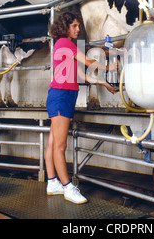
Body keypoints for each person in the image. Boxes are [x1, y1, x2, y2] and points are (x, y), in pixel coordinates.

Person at [45, 11, 118, 204]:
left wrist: (103, 84)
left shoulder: (64, 47)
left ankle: (52, 182)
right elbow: (88, 61)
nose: (78, 29)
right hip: (61, 97)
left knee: (53, 144)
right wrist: (109, 68)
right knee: (60, 147)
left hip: (61, 96)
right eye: (74, 26)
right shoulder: (65, 43)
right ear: (65, 27)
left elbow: (82, 75)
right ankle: (68, 187)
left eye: (79, 26)